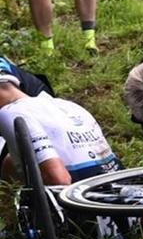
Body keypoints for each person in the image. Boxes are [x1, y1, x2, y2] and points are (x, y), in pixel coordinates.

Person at [0, 57, 119, 187]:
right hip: (119, 188)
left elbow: (58, 180)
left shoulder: (12, 113)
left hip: (85, 201)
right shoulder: (69, 105)